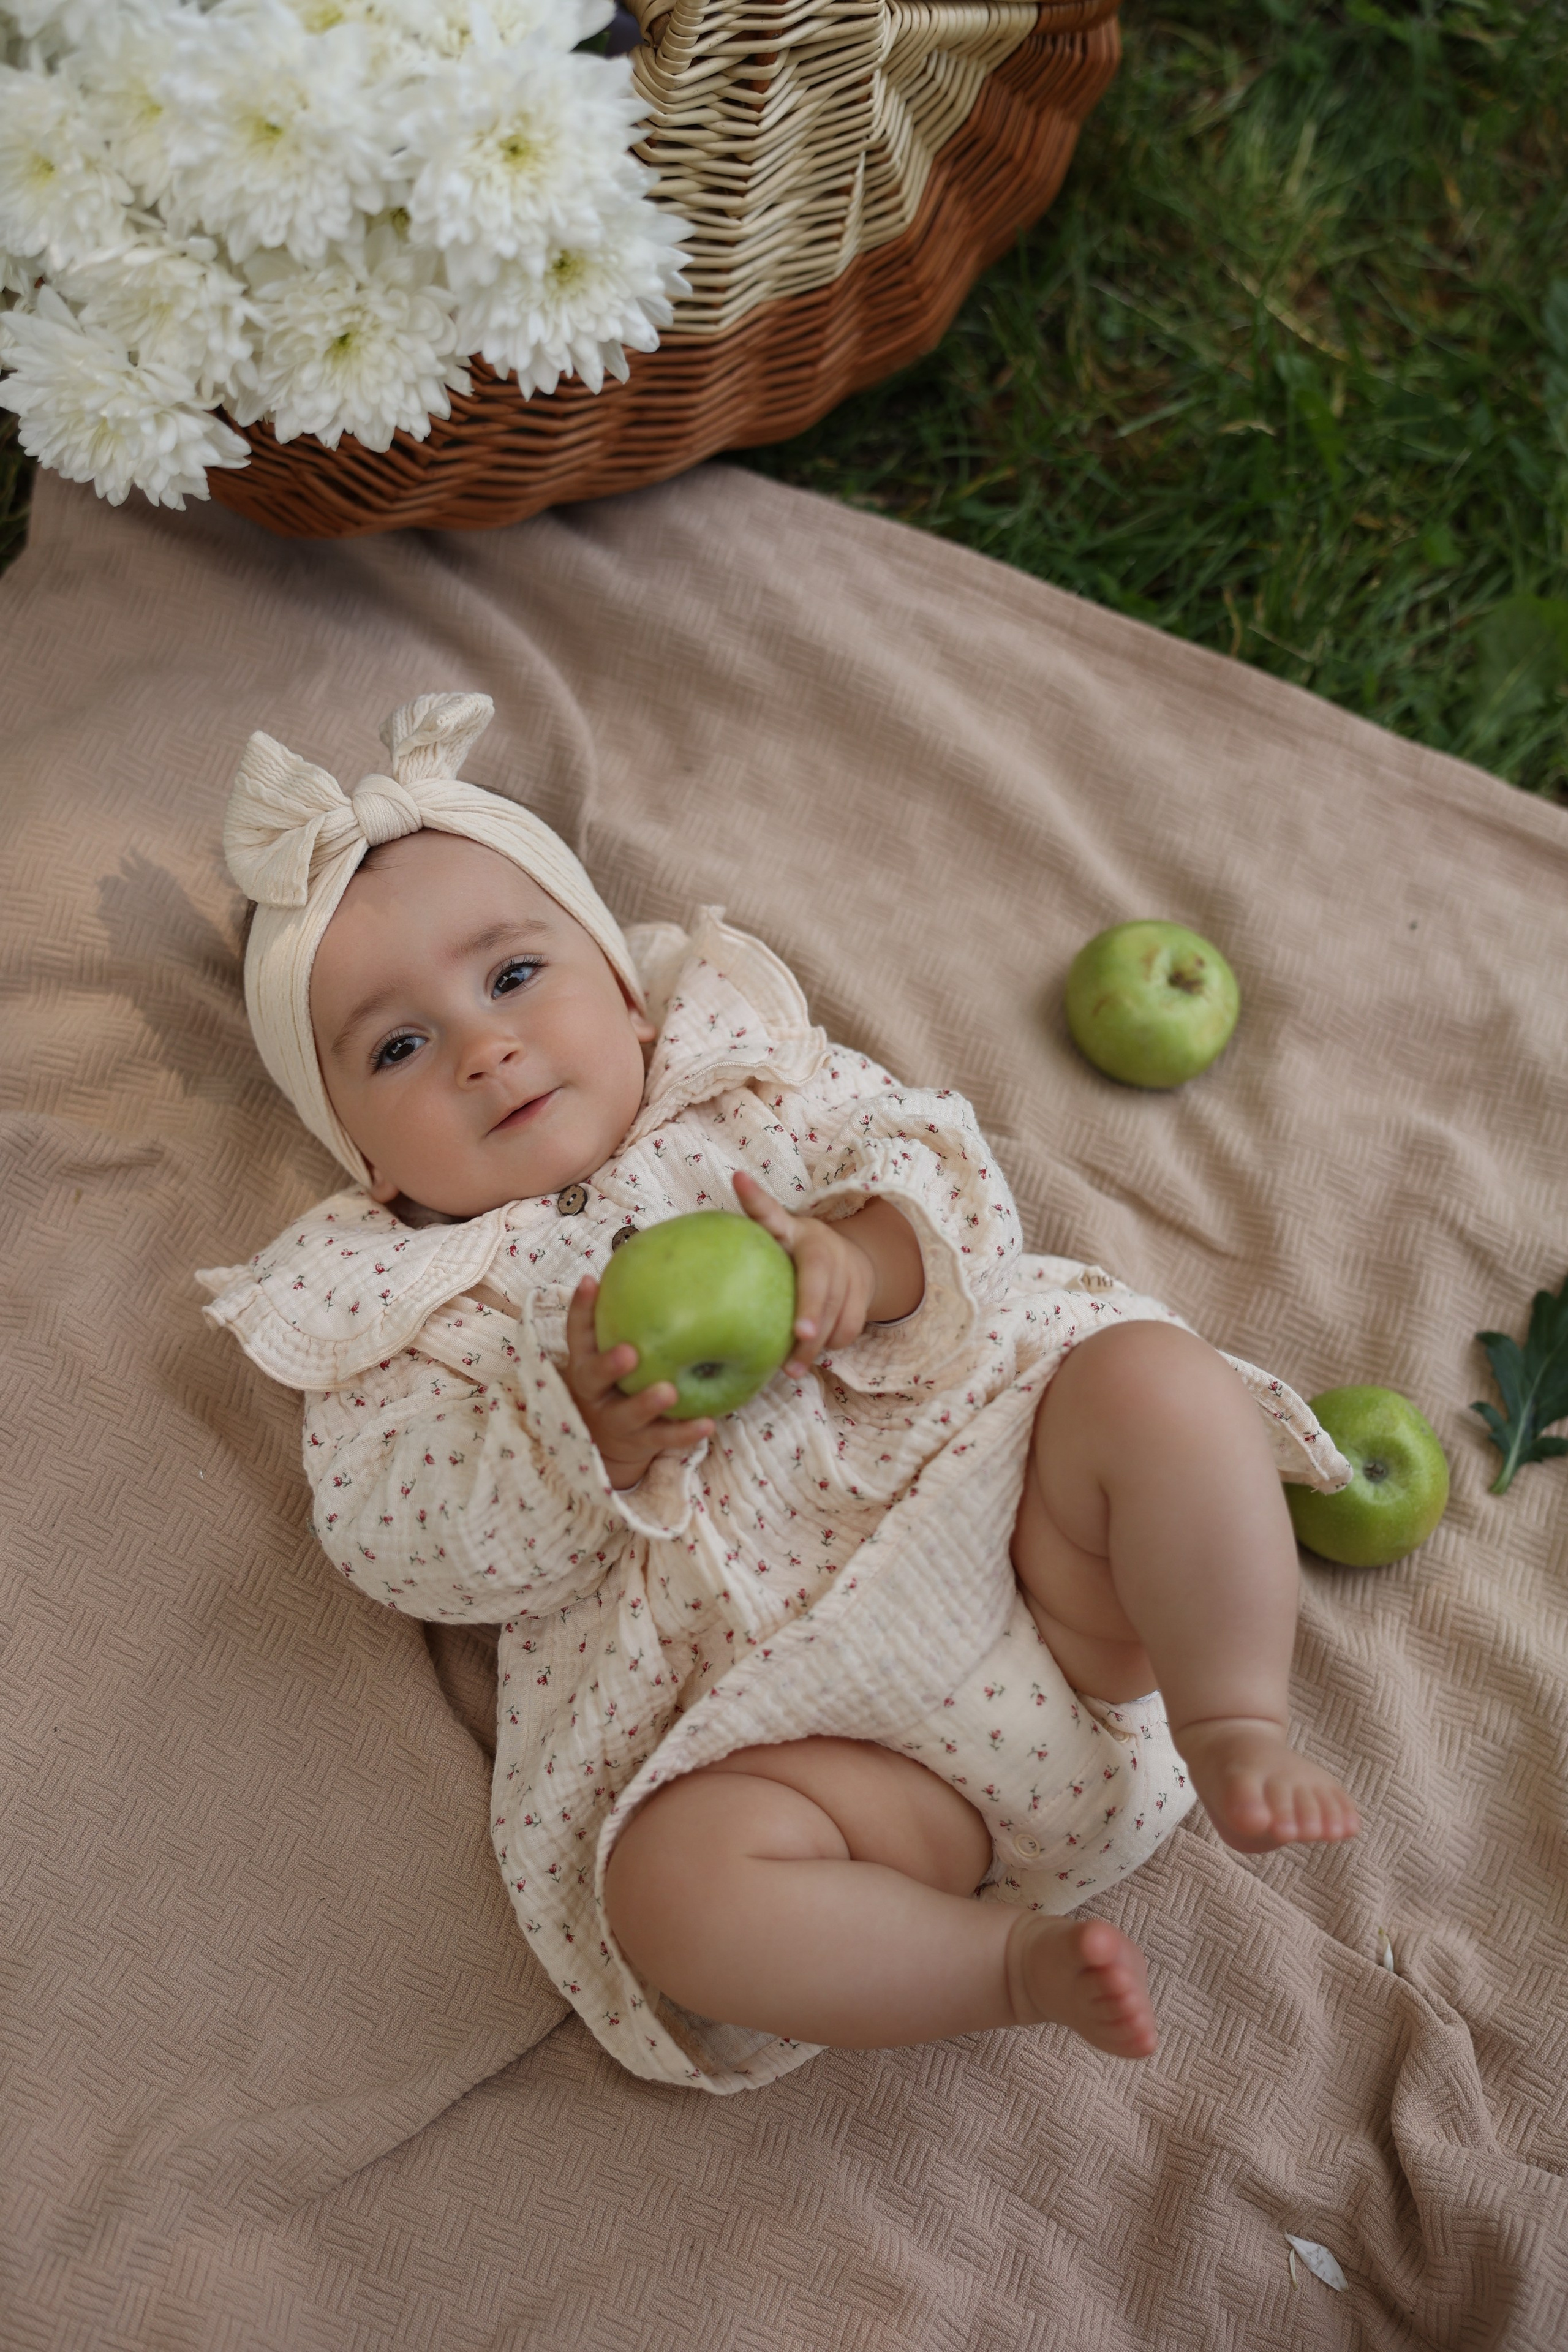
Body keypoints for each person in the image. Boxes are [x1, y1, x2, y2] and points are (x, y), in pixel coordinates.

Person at [201, 690, 1359, 2095]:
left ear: (627, 994)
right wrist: (577, 1441)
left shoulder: (753, 1094)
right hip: (825, 1758)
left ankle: (1235, 1718)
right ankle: (999, 1965)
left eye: (511, 978)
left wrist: (859, 1258)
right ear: (367, 1167)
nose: (482, 1049)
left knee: (1151, 1384)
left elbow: (948, 1183)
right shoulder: (397, 1316)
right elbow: (391, 1535)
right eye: (396, 1049)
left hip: (1056, 1587)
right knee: (670, 1892)